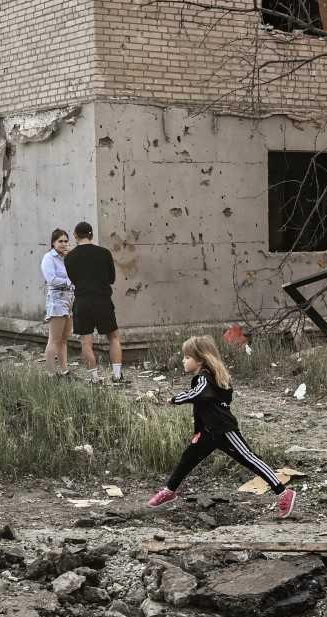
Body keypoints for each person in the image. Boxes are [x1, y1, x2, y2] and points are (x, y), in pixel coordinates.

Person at [149, 335, 296, 518]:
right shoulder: (209, 378)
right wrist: (198, 432)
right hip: (208, 432)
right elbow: (205, 407)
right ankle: (169, 491)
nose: (183, 360)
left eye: (187, 357)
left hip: (223, 429)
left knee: (250, 459)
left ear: (201, 359)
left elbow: (201, 395)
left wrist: (175, 399)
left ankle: (283, 492)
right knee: (187, 459)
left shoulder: (204, 378)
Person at [64, 220, 123, 383]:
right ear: (91, 234)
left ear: (75, 235)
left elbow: (72, 279)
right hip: (102, 300)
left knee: (86, 342)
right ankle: (117, 375)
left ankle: (95, 378)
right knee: (113, 337)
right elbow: (111, 278)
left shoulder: (69, 257)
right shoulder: (104, 253)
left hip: (82, 301)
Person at [41, 228, 74, 375]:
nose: (63, 244)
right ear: (53, 243)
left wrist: (70, 259)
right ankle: (51, 373)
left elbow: (76, 274)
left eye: (66, 241)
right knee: (54, 339)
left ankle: (64, 370)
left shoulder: (68, 258)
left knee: (64, 338)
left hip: (70, 299)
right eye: (60, 241)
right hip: (57, 299)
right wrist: (70, 281)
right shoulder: (49, 258)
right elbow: (52, 279)